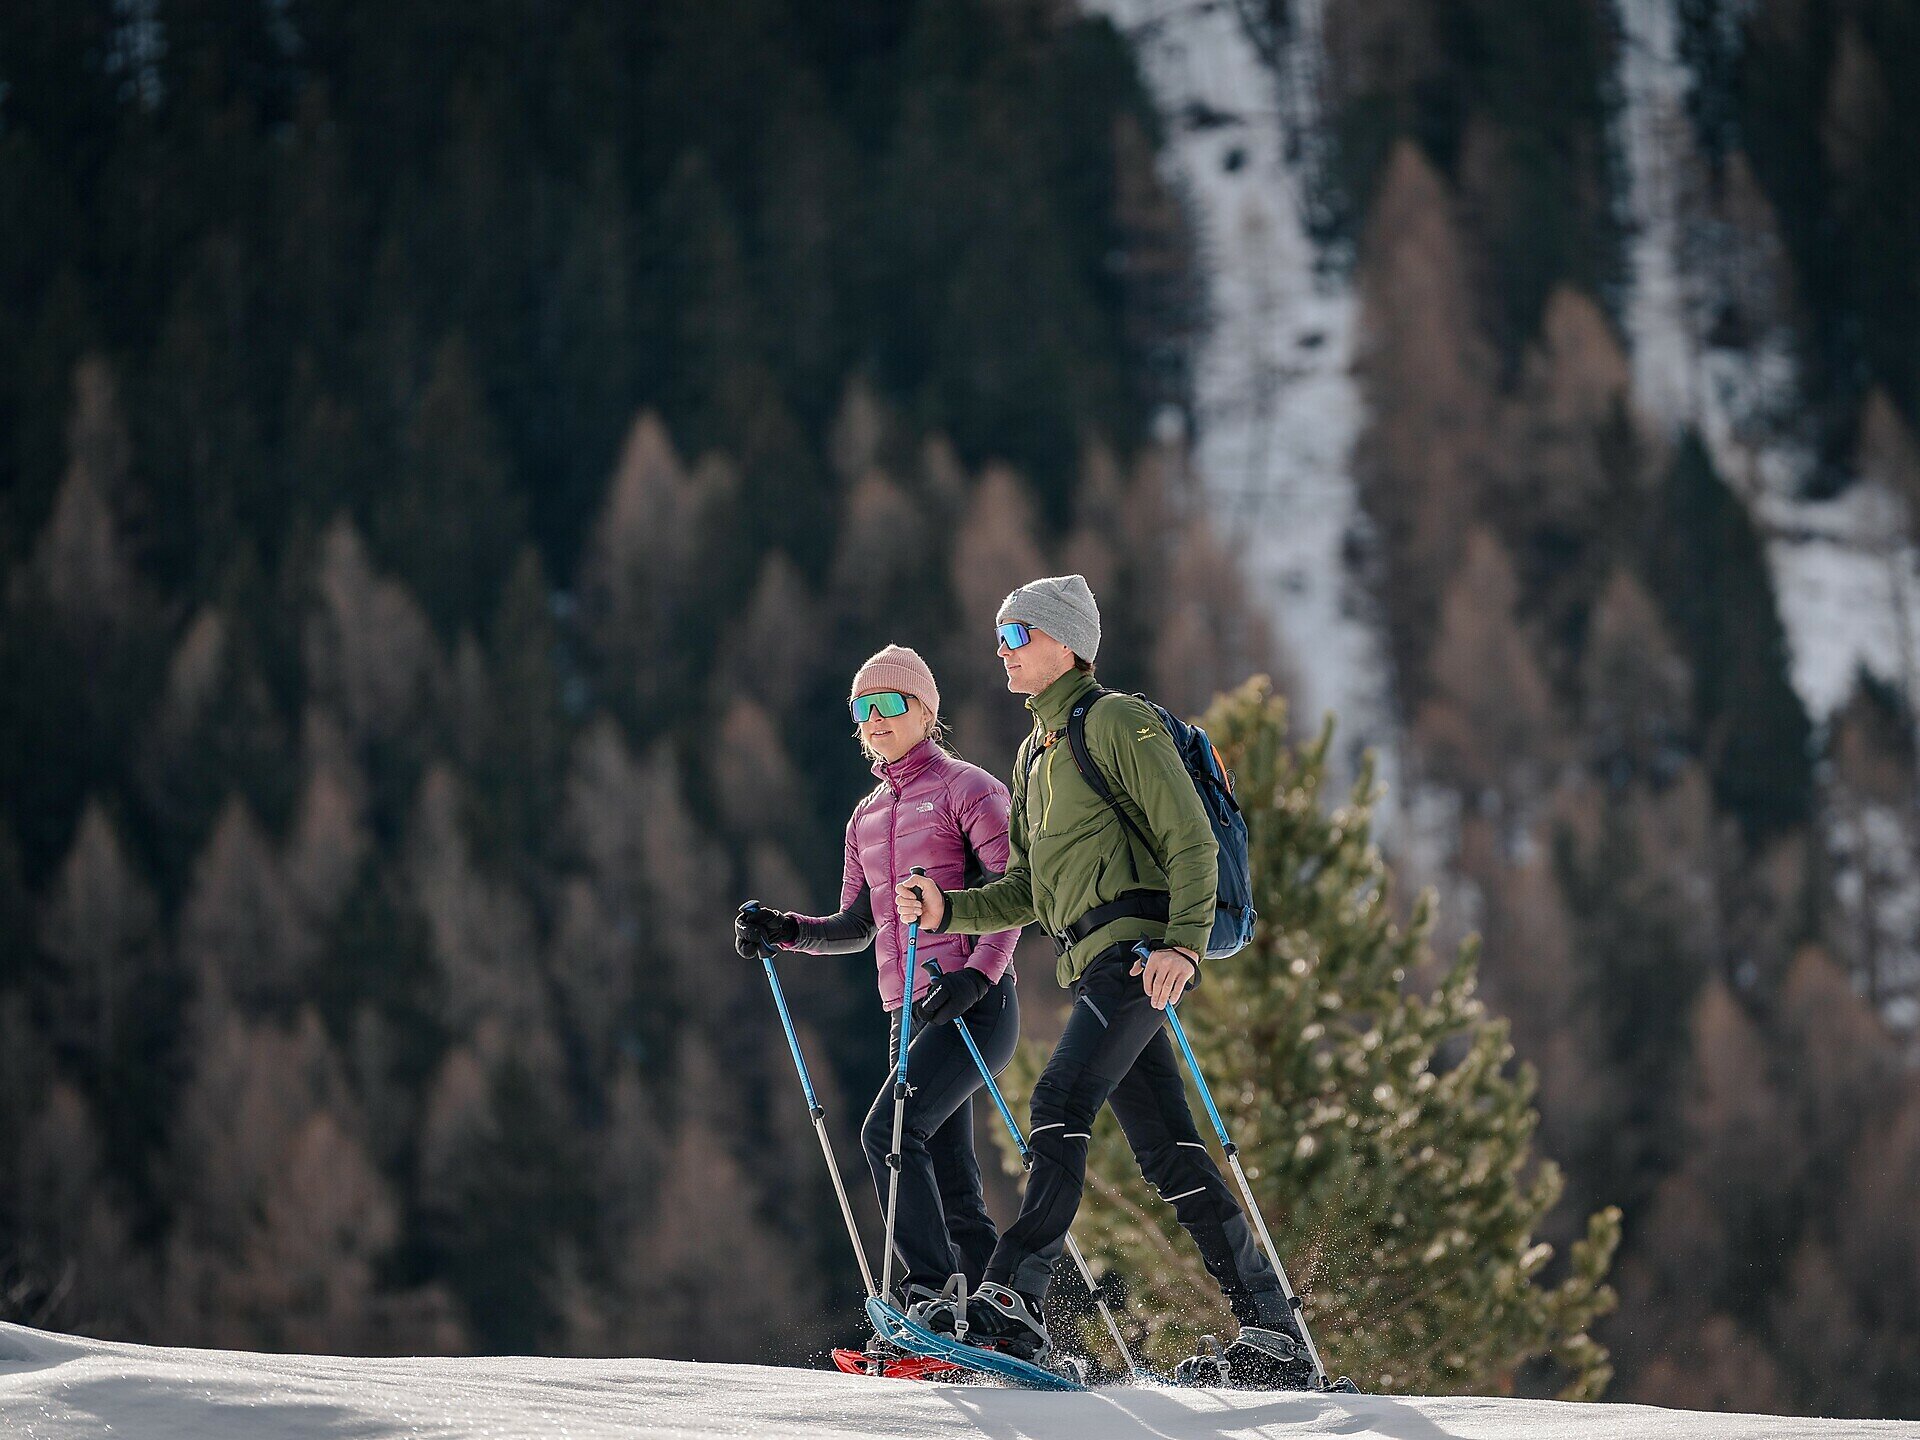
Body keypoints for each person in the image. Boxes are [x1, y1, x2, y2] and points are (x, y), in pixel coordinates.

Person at [895, 576, 1314, 1388]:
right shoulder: (1035, 755)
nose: (1002, 651)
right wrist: (949, 908)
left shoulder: (1115, 721)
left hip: (1140, 956)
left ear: (1066, 643)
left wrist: (1182, 946)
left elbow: (1189, 837)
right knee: (1167, 1151)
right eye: (999, 637)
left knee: (1059, 1101)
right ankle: (1273, 1332)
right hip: (1095, 964)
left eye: (1016, 636)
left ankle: (1015, 1293)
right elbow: (1030, 891)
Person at [735, 644, 1020, 1317]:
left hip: (973, 1003)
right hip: (909, 1013)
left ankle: (928, 1293)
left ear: (926, 711)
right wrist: (787, 929)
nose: (876, 719)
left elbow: (1015, 894)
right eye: (863, 709)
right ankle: (999, 1315)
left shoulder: (970, 790)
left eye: (890, 703)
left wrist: (978, 978)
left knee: (888, 1134)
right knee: (950, 1175)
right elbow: (858, 923)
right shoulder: (865, 816)